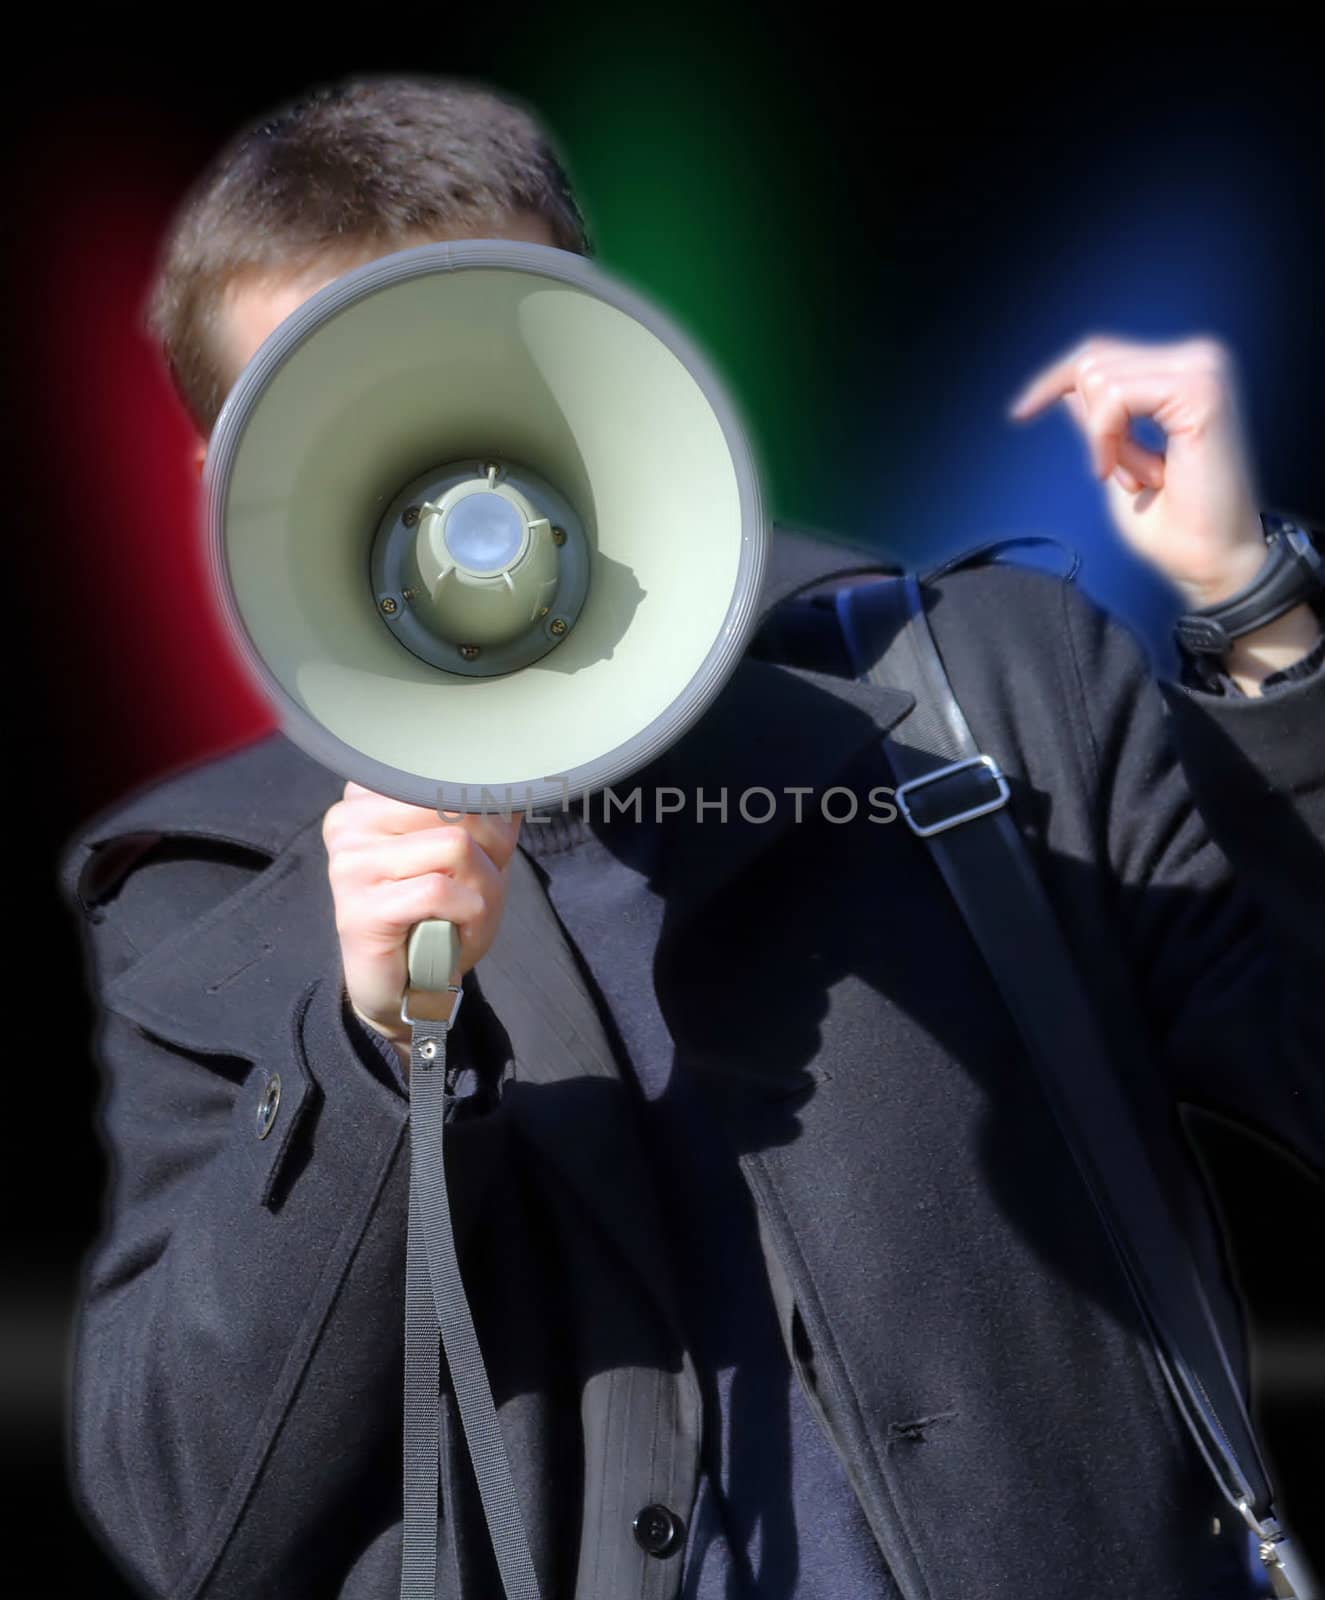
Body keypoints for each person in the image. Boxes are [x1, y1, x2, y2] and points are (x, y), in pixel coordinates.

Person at [56, 71, 1325, 1600]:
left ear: (606, 350)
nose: (443, 467)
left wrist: (1263, 641)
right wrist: (361, 1055)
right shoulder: (206, 895)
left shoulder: (985, 692)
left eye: (477, 368)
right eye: (332, 413)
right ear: (221, 493)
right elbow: (194, 1518)